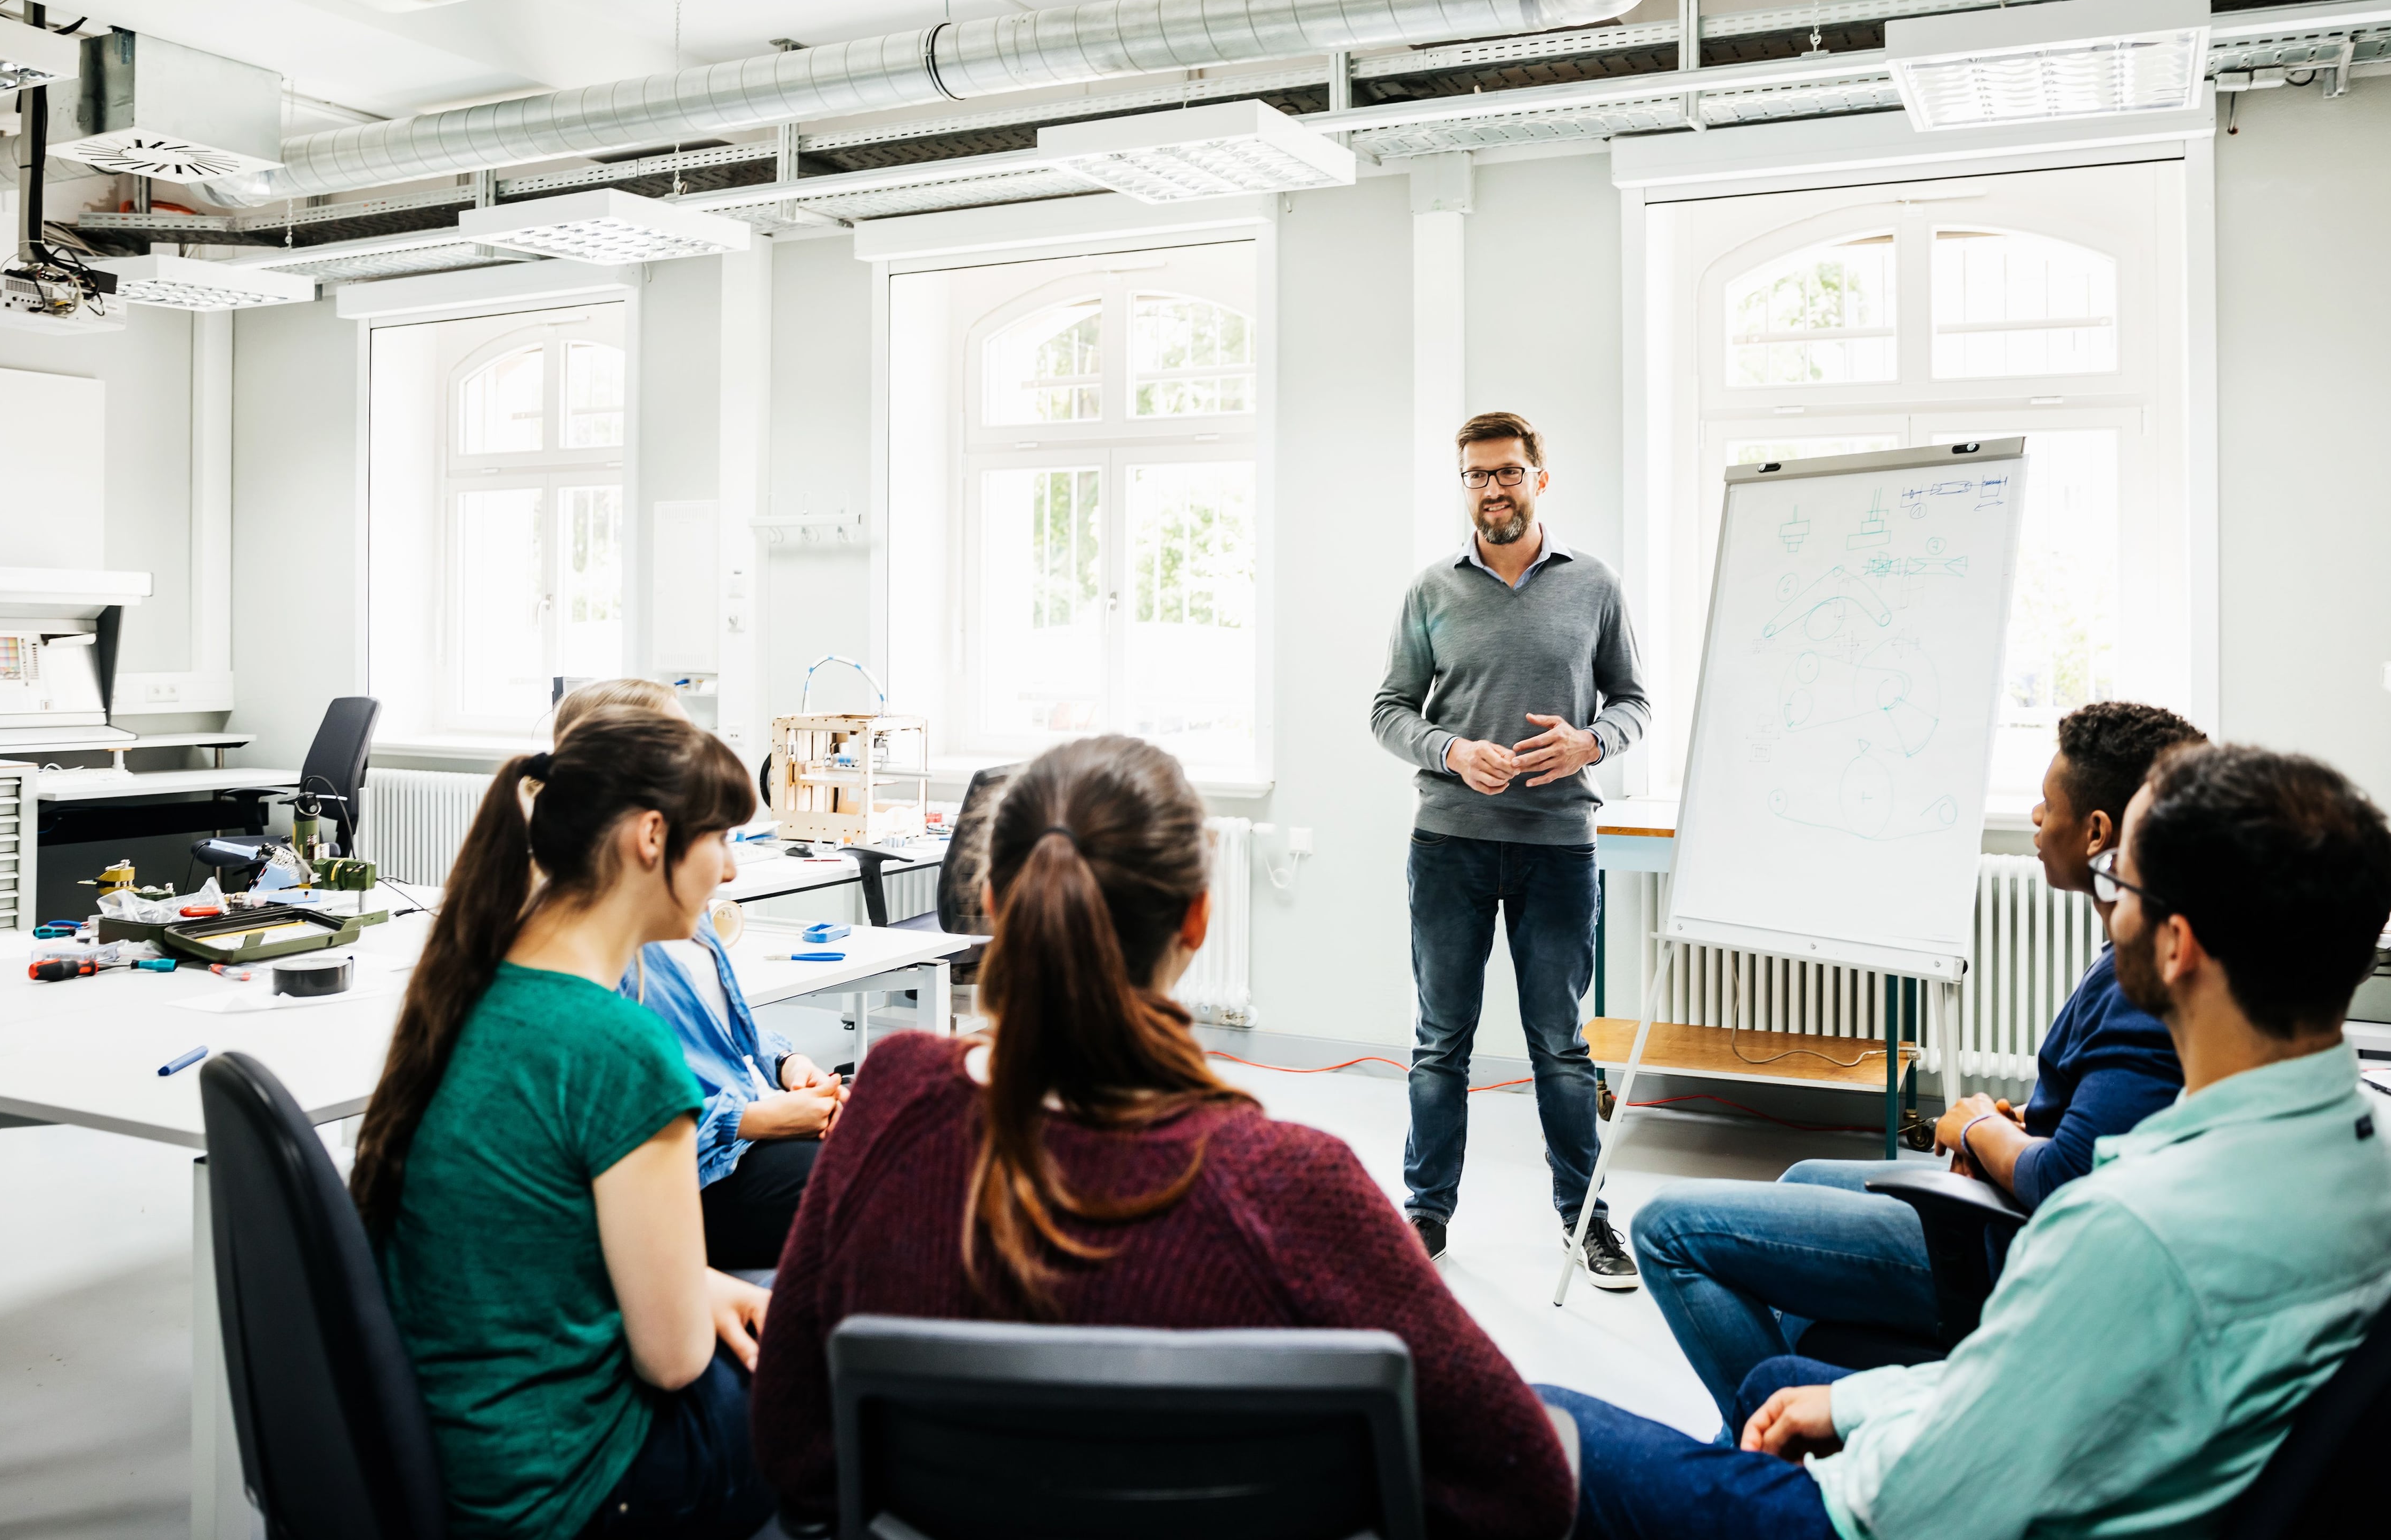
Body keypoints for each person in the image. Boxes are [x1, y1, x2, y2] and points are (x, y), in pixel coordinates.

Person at [1545, 741, 2391, 1540]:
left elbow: (1914, 1501)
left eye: (2119, 884)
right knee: (1778, 1382)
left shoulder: (2127, 1232)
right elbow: (2020, 1384)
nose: (2109, 906)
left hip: (1876, 1513)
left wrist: (1845, 1439)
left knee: (1524, 1425)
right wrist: (1856, 1397)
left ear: (2179, 944)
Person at [752, 734, 1576, 1540]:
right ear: (1199, 917)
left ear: (997, 905)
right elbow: (1524, 1489)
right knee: (1585, 1428)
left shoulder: (890, 1093)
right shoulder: (1295, 1182)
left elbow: (796, 1445)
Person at [1632, 701, 2202, 1427]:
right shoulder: (2130, 954)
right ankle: (1785, 1406)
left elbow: (2067, 1179)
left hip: (2014, 1245)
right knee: (1802, 1179)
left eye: (2047, 801)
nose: (2033, 813)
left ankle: (1780, 1449)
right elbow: (2113, 1121)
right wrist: (2024, 1120)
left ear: (2096, 833)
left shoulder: (2140, 980)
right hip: (2012, 1210)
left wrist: (1978, 1132)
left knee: (1664, 1227)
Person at [352, 708, 776, 1540]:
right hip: (579, 1484)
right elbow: (674, 1358)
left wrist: (701, 1286)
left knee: (764, 1307)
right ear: (652, 837)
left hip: (474, 1449)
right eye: (721, 839)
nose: (728, 870)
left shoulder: (469, 988)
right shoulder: (619, 1046)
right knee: (841, 1379)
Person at [1371, 409, 1650, 1286]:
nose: (1493, 488)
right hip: (1450, 843)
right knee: (1439, 1042)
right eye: (1477, 474)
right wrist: (1453, 749)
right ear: (1465, 485)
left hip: (1559, 846)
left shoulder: (1595, 585)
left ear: (1539, 477)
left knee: (1562, 1045)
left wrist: (1588, 743)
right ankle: (1427, 1213)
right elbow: (1389, 710)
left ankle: (1587, 1218)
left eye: (1507, 471)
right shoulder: (1429, 590)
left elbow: (1634, 701)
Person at [553, 679, 844, 1271]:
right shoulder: (596, 966)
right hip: (706, 1167)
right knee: (880, 1181)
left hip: (733, 1133)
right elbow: (632, 1134)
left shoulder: (679, 911)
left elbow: (721, 1032)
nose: (732, 869)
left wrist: (783, 1065)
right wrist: (759, 1118)